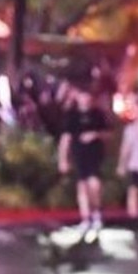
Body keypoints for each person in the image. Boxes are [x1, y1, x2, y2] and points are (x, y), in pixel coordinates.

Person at [58, 86, 112, 232]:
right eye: (82, 96)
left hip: (94, 154)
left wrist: (95, 135)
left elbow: (108, 134)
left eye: (88, 97)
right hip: (78, 154)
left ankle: (97, 213)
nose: (85, 99)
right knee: (82, 186)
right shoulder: (72, 115)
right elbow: (66, 138)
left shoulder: (97, 114)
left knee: (94, 184)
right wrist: (63, 159)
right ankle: (85, 218)